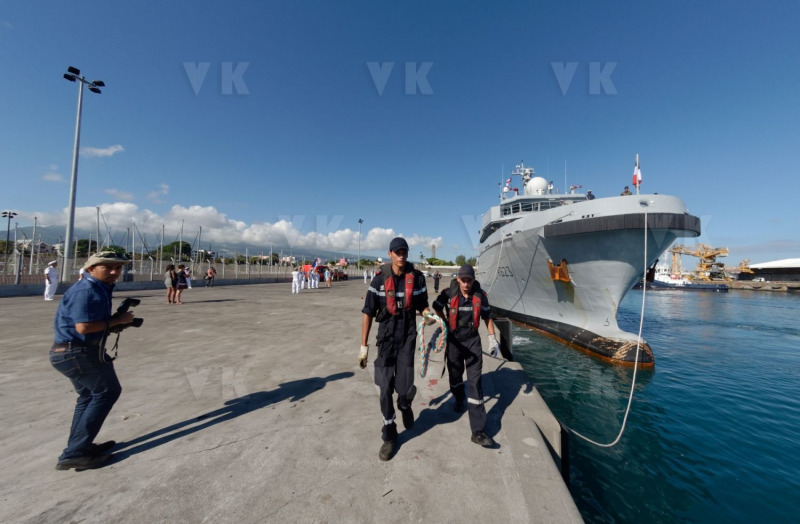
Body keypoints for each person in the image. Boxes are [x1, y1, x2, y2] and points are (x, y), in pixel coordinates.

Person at [49, 251, 137, 470]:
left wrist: (114, 323)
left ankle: (79, 447)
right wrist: (118, 320)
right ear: (91, 269)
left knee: (88, 397)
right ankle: (74, 453)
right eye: (107, 267)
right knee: (107, 392)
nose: (114, 272)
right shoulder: (88, 290)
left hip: (71, 352)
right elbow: (84, 327)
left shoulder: (97, 287)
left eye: (118, 267)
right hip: (78, 353)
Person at [360, 236, 434, 461]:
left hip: (407, 339)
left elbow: (422, 305)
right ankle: (389, 435)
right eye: (397, 252)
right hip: (385, 340)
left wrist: (427, 315)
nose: (401, 256)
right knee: (384, 388)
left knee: (404, 387)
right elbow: (368, 312)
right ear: (390, 254)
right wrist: (363, 346)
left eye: (404, 252)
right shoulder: (379, 280)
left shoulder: (417, 278)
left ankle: (404, 403)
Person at [433, 264, 499, 448]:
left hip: (472, 341)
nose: (466, 284)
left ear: (473, 280)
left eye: (469, 280)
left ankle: (477, 430)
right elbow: (436, 306)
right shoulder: (448, 294)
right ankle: (459, 398)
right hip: (454, 341)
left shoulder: (480, 296)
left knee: (475, 382)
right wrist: (444, 323)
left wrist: (492, 338)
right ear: (458, 279)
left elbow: (487, 316)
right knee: (455, 377)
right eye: (463, 280)